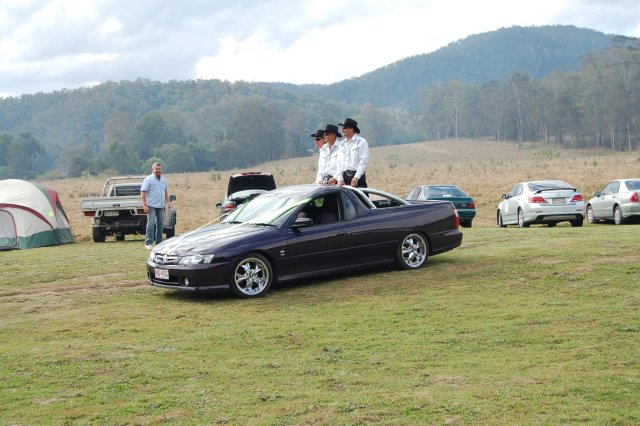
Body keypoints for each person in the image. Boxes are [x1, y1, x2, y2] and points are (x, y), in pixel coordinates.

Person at [141, 162, 170, 249]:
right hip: (151, 205)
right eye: (156, 169)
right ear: (152, 170)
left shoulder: (164, 180)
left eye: (159, 169)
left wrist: (168, 203)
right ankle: (149, 242)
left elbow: (165, 192)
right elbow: (143, 193)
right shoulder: (148, 179)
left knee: (161, 224)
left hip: (161, 206)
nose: (158, 170)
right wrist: (145, 205)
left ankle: (159, 242)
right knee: (151, 223)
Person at [337, 118, 369, 188]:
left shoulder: (361, 142)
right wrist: (340, 179)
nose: (342, 130)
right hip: (344, 177)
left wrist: (356, 177)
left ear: (351, 129)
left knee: (359, 198)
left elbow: (363, 161)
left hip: (357, 177)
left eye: (344, 128)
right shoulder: (342, 144)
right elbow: (339, 162)